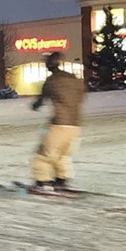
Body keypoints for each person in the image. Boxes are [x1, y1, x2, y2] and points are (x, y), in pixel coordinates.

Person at [30, 51, 85, 190]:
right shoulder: (74, 79)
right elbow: (81, 95)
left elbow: (41, 100)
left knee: (43, 154)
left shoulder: (51, 81)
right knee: (62, 155)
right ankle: (62, 179)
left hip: (59, 124)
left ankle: (42, 181)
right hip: (76, 125)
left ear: (49, 65)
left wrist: (35, 106)